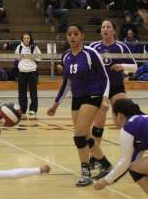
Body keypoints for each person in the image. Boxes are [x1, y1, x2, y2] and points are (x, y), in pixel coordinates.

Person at [47, 24, 110, 187]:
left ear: (82, 35)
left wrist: (105, 98)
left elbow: (105, 78)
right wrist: (55, 104)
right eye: (69, 34)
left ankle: (85, 172)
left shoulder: (90, 53)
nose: (72, 37)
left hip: (93, 95)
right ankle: (105, 164)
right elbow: (66, 82)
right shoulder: (66, 56)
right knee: (85, 135)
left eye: (75, 34)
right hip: (77, 97)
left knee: (79, 135)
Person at [89, 20, 137, 178]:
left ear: (114, 31)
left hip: (116, 87)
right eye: (103, 27)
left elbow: (135, 66)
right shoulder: (94, 47)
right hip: (99, 88)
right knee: (98, 122)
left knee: (122, 119)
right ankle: (95, 158)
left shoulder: (121, 47)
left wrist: (122, 66)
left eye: (108, 27)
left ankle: (131, 154)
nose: (105, 29)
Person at [15, 33, 41, 117]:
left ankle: (33, 109)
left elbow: (40, 58)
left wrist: (33, 57)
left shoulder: (34, 47)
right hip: (22, 72)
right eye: (25, 38)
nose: (26, 39)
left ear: (30, 39)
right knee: (21, 92)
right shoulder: (19, 47)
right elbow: (16, 58)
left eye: (28, 38)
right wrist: (19, 56)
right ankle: (22, 110)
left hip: (32, 72)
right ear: (22, 39)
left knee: (33, 92)